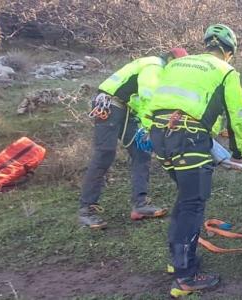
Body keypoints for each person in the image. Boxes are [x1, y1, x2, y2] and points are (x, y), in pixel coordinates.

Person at [145, 24, 242, 297]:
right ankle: (186, 277)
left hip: (160, 136)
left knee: (184, 200)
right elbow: (235, 114)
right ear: (228, 52)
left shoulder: (179, 63)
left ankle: (177, 261)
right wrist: (238, 152)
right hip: (189, 138)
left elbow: (153, 99)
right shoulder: (226, 71)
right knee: (193, 204)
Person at [77, 47, 187, 229]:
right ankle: (86, 210)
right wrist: (150, 126)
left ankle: (140, 205)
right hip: (109, 106)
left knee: (142, 152)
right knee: (104, 154)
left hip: (126, 110)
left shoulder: (159, 69)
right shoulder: (154, 66)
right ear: (170, 60)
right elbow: (148, 97)